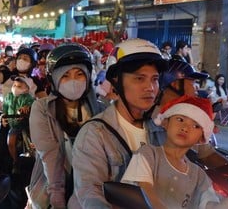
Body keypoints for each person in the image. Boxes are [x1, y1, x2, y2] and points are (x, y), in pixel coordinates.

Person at [69, 38, 168, 208]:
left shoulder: (162, 129)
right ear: (116, 81)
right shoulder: (95, 134)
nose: (150, 87)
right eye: (139, 79)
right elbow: (91, 195)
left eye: (154, 79)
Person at [121, 95, 228, 208]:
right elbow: (144, 194)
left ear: (201, 138)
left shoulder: (199, 176)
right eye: (180, 119)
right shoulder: (147, 155)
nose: (185, 128)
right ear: (165, 123)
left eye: (196, 126)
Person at [27, 43, 106, 209]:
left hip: (92, 191)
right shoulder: (42, 108)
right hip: (50, 187)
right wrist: (57, 197)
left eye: (79, 74)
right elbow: (49, 153)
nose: (73, 81)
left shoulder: (102, 109)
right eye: (66, 76)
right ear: (54, 79)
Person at [1, 76, 34, 171]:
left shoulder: (28, 98)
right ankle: (15, 160)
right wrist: (4, 117)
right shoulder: (9, 97)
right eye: (14, 85)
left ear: (26, 88)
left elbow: (31, 105)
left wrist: (26, 108)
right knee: (10, 142)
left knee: (31, 142)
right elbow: (5, 109)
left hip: (25, 124)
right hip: (14, 123)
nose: (15, 87)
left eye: (19, 86)